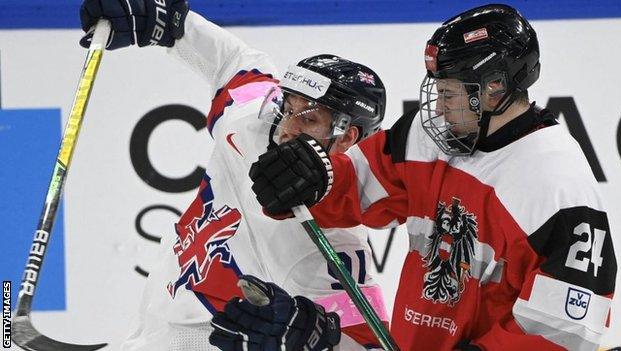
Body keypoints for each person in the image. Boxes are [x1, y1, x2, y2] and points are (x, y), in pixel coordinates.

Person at [245, 4, 617, 350]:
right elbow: (354, 185)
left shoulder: (557, 186)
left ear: (494, 89)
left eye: (449, 93)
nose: (438, 107)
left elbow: (566, 329)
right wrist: (311, 179)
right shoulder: (429, 137)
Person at [78, 0, 390, 350]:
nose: (287, 127)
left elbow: (370, 343)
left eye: (310, 118)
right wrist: (170, 21)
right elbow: (233, 62)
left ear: (348, 137)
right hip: (156, 313)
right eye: (289, 107)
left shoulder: (330, 248)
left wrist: (324, 340)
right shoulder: (254, 121)